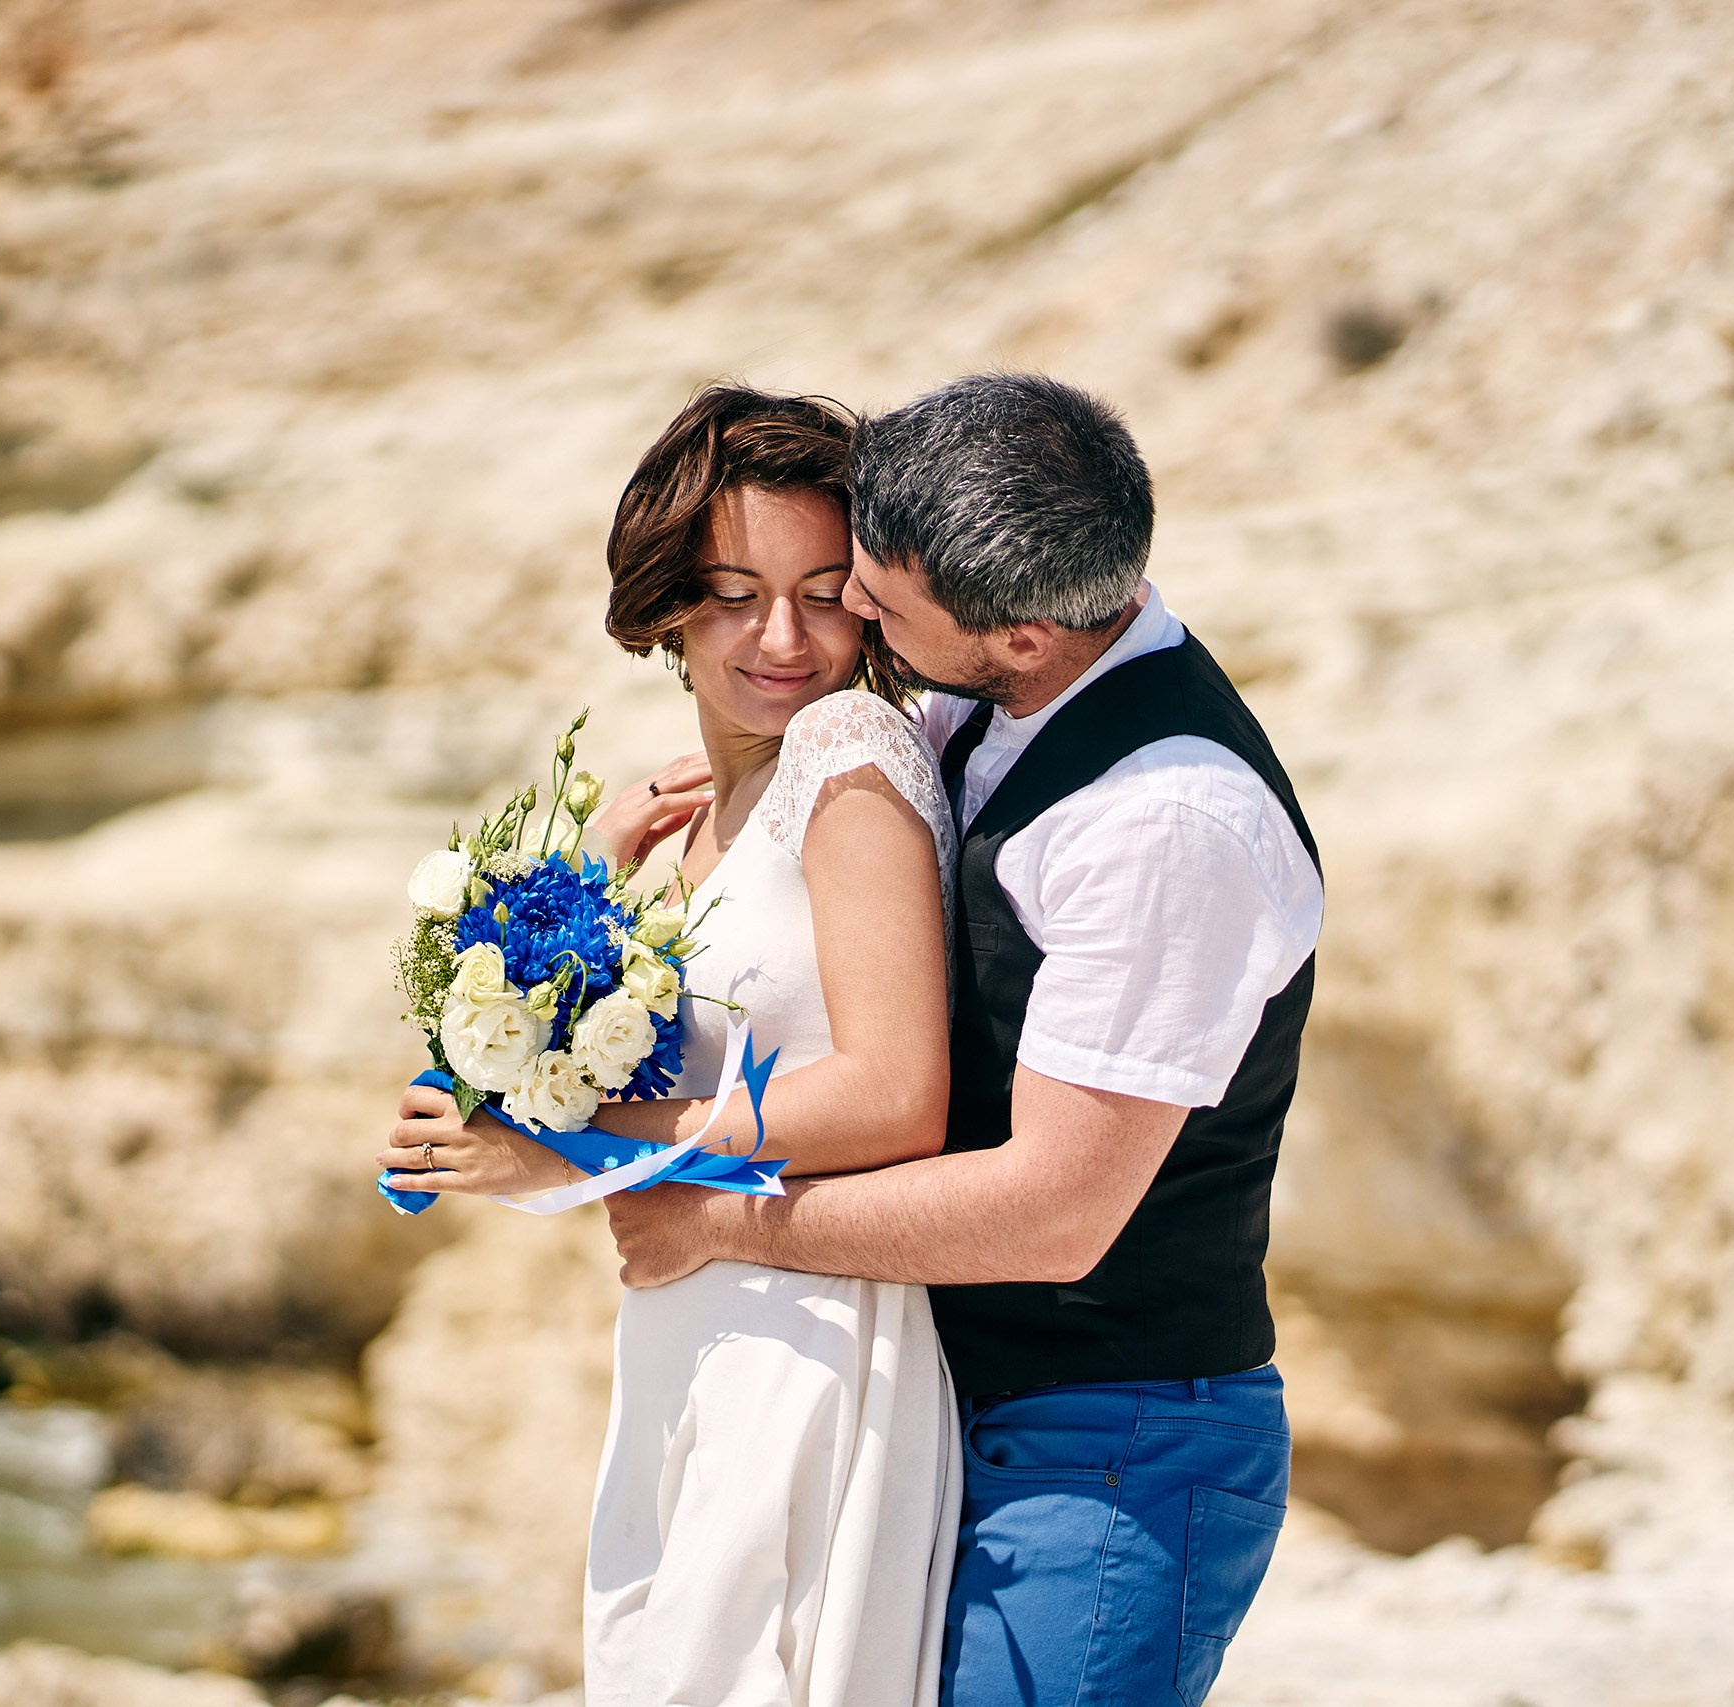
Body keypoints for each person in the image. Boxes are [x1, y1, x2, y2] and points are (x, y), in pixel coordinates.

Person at [605, 372, 1326, 1707]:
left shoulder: (1164, 827)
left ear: (1026, 638)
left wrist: (715, 1218)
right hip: (936, 1407)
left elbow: (1052, 1214)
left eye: (871, 598)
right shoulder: (971, 702)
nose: (847, 621)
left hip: (1107, 1452)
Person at [378, 385, 965, 1707]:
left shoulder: (850, 752)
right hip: (694, 1328)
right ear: (665, 605)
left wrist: (565, 1154)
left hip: (808, 1338)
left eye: (826, 591)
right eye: (735, 590)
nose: (784, 636)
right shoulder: (705, 815)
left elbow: (895, 1093)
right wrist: (590, 883)